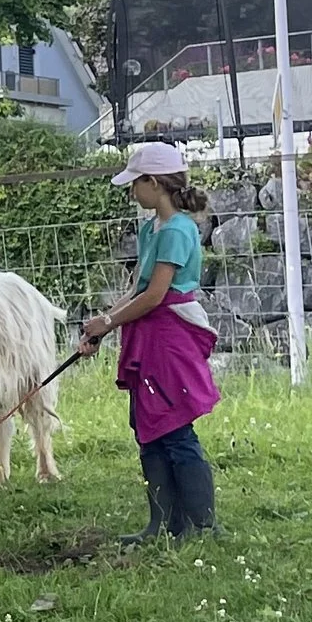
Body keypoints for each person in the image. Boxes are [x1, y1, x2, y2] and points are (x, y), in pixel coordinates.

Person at [78, 144, 218, 539]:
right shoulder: (150, 228)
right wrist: (101, 324)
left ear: (154, 183)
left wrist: (108, 321)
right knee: (147, 424)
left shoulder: (177, 230)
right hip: (147, 333)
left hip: (170, 336)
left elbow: (156, 295)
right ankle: (162, 523)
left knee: (174, 426)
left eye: (134, 183)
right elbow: (137, 288)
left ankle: (201, 524)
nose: (131, 192)